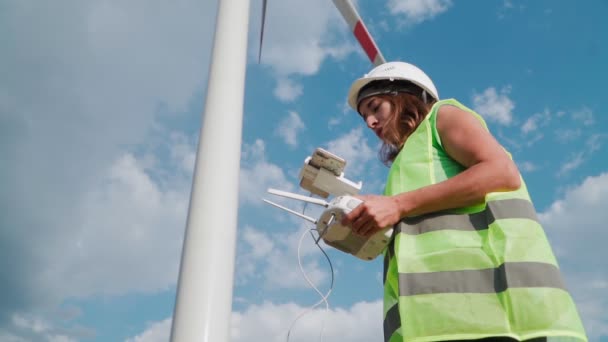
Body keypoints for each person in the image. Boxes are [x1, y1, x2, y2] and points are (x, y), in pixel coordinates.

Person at [341, 61, 587, 342]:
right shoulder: (407, 163)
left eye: (375, 107)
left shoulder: (443, 116)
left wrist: (397, 205)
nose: (370, 123)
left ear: (404, 96)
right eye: (364, 117)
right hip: (434, 323)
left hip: (497, 315)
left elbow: (501, 172)